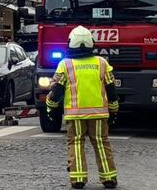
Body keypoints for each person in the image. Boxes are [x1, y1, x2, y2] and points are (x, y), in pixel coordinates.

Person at [44, 25, 119, 189]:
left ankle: (78, 179)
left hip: (75, 114)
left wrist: (50, 107)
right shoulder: (102, 63)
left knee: (76, 143)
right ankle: (109, 178)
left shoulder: (65, 64)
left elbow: (56, 90)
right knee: (101, 143)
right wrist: (113, 109)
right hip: (99, 113)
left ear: (71, 43)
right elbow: (111, 90)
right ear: (91, 43)